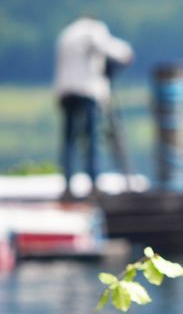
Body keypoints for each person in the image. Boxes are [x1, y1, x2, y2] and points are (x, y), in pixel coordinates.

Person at [53, 17, 133, 199]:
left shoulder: (66, 34)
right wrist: (125, 55)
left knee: (69, 140)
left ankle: (67, 185)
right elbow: (110, 49)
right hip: (86, 90)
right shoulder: (93, 30)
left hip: (65, 91)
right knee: (91, 139)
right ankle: (93, 183)